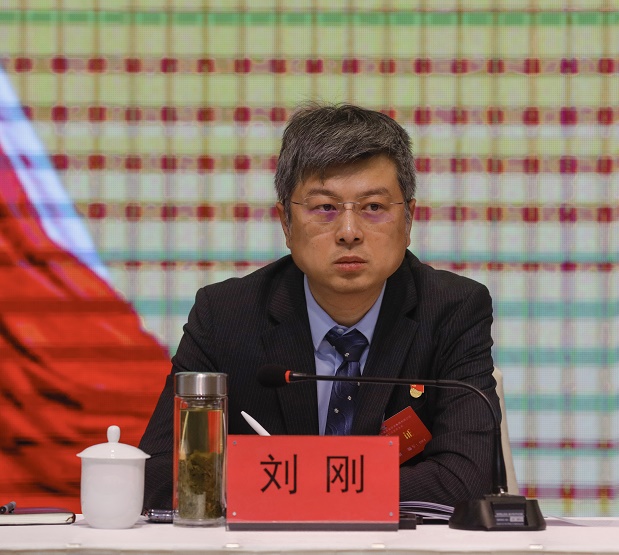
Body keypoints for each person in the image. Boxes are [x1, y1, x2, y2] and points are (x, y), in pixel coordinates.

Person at [139, 103, 498, 510]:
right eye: (325, 208)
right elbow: (163, 475)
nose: (349, 232)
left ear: (409, 218)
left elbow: (467, 479)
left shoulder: (453, 310)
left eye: (373, 207)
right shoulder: (225, 315)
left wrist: (293, 484)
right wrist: (335, 486)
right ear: (286, 223)